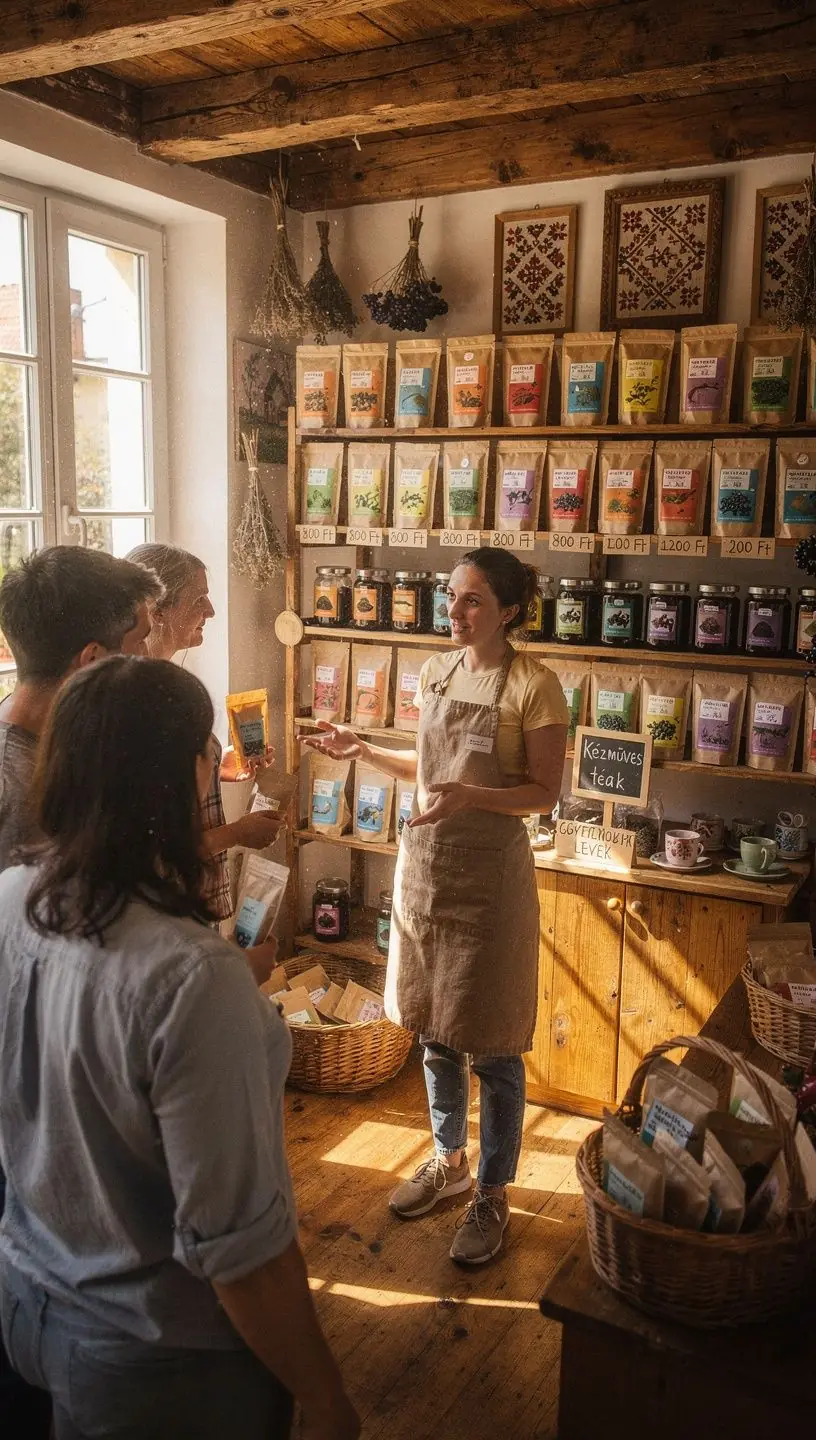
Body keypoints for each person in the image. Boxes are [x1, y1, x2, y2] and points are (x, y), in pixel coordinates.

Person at [0, 656, 359, 1440]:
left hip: (29, 1295)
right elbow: (242, 1254)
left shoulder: (10, 898)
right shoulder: (192, 978)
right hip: (156, 1355)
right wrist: (329, 1402)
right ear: (184, 775)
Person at [304, 549, 568, 1265]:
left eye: (472, 601)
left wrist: (473, 796)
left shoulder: (536, 686)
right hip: (427, 871)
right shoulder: (437, 671)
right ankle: (449, 1164)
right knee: (435, 1031)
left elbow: (544, 792)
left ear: (510, 610)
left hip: (489, 882)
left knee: (497, 1044)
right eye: (452, 598)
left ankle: (492, 1191)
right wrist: (363, 749)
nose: (453, 612)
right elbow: (430, 768)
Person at [0, 546, 161, 1436]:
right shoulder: (11, 786)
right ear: (96, 665)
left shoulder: (57, 769)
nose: (154, 651)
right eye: (143, 635)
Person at [126, 543, 282, 932]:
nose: (211, 611)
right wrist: (239, 833)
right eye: (199, 600)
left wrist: (217, 768)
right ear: (156, 610)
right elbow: (154, 850)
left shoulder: (160, 685)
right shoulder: (137, 704)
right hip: (167, 913)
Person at [0, 545, 160, 872]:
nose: (149, 657)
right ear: (93, 659)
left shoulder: (57, 743)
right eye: (141, 639)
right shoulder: (19, 792)